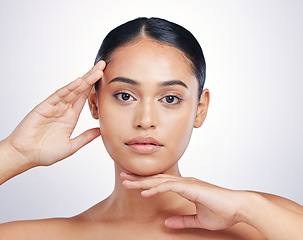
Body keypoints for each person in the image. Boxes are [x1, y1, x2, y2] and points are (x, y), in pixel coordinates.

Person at [0, 17, 302, 240]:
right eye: (124, 96)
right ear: (94, 104)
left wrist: (248, 209)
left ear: (200, 108)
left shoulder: (260, 219)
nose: (145, 119)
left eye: (170, 98)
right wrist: (15, 153)